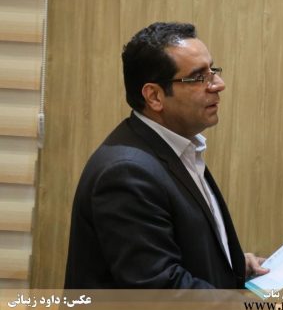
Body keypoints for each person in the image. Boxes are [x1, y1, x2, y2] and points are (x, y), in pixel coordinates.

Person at [64, 22, 268, 288]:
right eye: (198, 77)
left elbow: (180, 245)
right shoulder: (126, 173)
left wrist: (233, 265)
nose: (218, 84)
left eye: (213, 71)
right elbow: (161, 289)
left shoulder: (179, 148)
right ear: (154, 96)